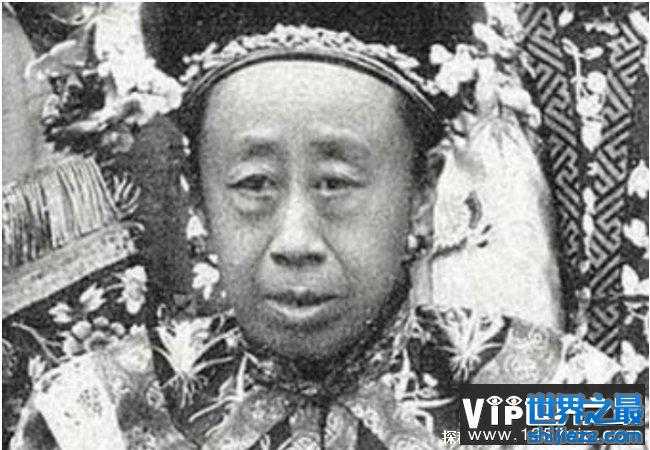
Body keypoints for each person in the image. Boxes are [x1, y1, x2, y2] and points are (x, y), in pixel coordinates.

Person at [8, 4, 625, 450]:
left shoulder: (547, 399)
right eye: (254, 185)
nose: (296, 242)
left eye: (335, 183)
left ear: (422, 191)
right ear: (198, 196)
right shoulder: (99, 417)